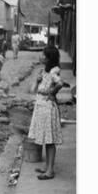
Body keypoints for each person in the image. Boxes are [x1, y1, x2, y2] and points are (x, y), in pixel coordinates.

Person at [28, 47, 64, 180]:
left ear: (48, 58)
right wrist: (37, 81)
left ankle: (50, 171)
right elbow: (32, 90)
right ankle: (47, 167)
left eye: (43, 55)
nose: (40, 56)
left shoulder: (54, 71)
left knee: (50, 141)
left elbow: (60, 83)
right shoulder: (43, 71)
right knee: (45, 138)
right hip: (41, 107)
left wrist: (51, 93)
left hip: (48, 107)